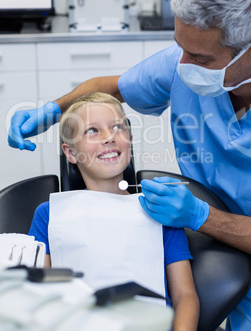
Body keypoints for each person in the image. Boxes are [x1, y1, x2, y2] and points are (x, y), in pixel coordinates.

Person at [8, 0, 251, 330]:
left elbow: (185, 299)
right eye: (180, 47)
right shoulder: (51, 217)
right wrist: (52, 110)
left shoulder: (158, 220)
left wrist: (200, 216)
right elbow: (111, 87)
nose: (182, 63)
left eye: (199, 57)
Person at [28, 92, 199, 331]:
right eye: (92, 130)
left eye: (117, 127)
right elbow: (36, 296)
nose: (109, 137)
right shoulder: (49, 215)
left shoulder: (161, 210)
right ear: (70, 153)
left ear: (129, 139)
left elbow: (185, 296)